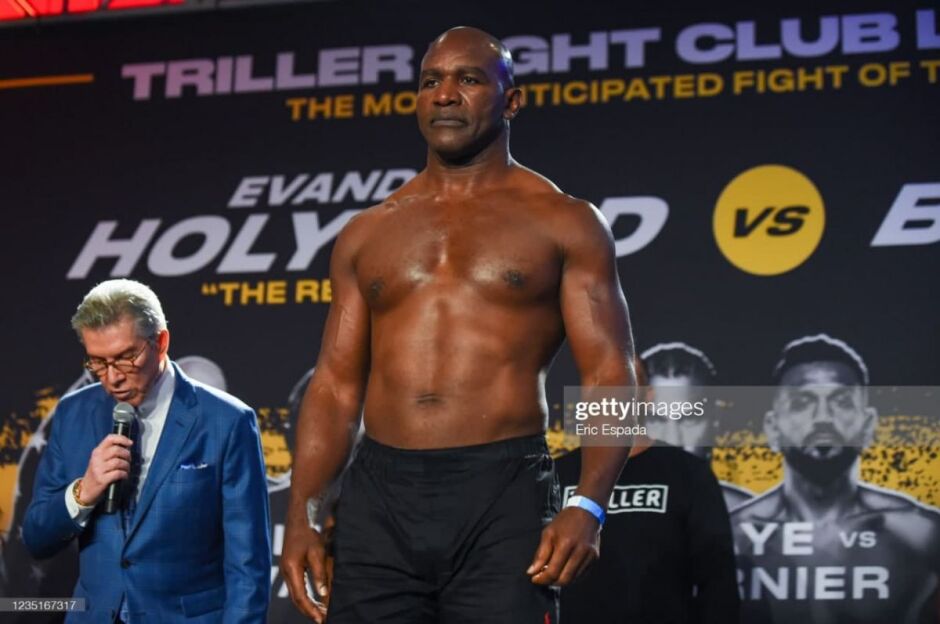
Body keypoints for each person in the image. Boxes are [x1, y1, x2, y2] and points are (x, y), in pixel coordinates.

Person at [281, 26, 636, 624]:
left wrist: (590, 503)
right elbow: (335, 386)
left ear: (512, 101)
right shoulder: (368, 232)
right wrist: (304, 515)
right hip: (379, 493)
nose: (445, 94)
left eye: (468, 79)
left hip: (501, 489)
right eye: (430, 81)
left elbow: (608, 371)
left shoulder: (564, 221)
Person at [23, 279, 271, 623]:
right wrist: (83, 492)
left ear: (161, 342)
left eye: (125, 358)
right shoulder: (72, 413)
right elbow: (37, 537)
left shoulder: (227, 421)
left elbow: (248, 564)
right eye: (98, 362)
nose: (112, 378)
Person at [731, 334, 940, 623]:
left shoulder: (922, 535)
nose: (823, 418)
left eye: (841, 402)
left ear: (868, 427)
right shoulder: (729, 538)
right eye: (802, 403)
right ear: (773, 428)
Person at [556, 358, 740, 624]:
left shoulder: (687, 473)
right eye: (600, 384)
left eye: (623, 382)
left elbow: (719, 585)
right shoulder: (554, 476)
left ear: (647, 396)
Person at [641, 342, 753, 510]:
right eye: (656, 420)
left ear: (716, 421)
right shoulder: (603, 513)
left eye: (689, 419)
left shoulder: (746, 514)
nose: (673, 441)